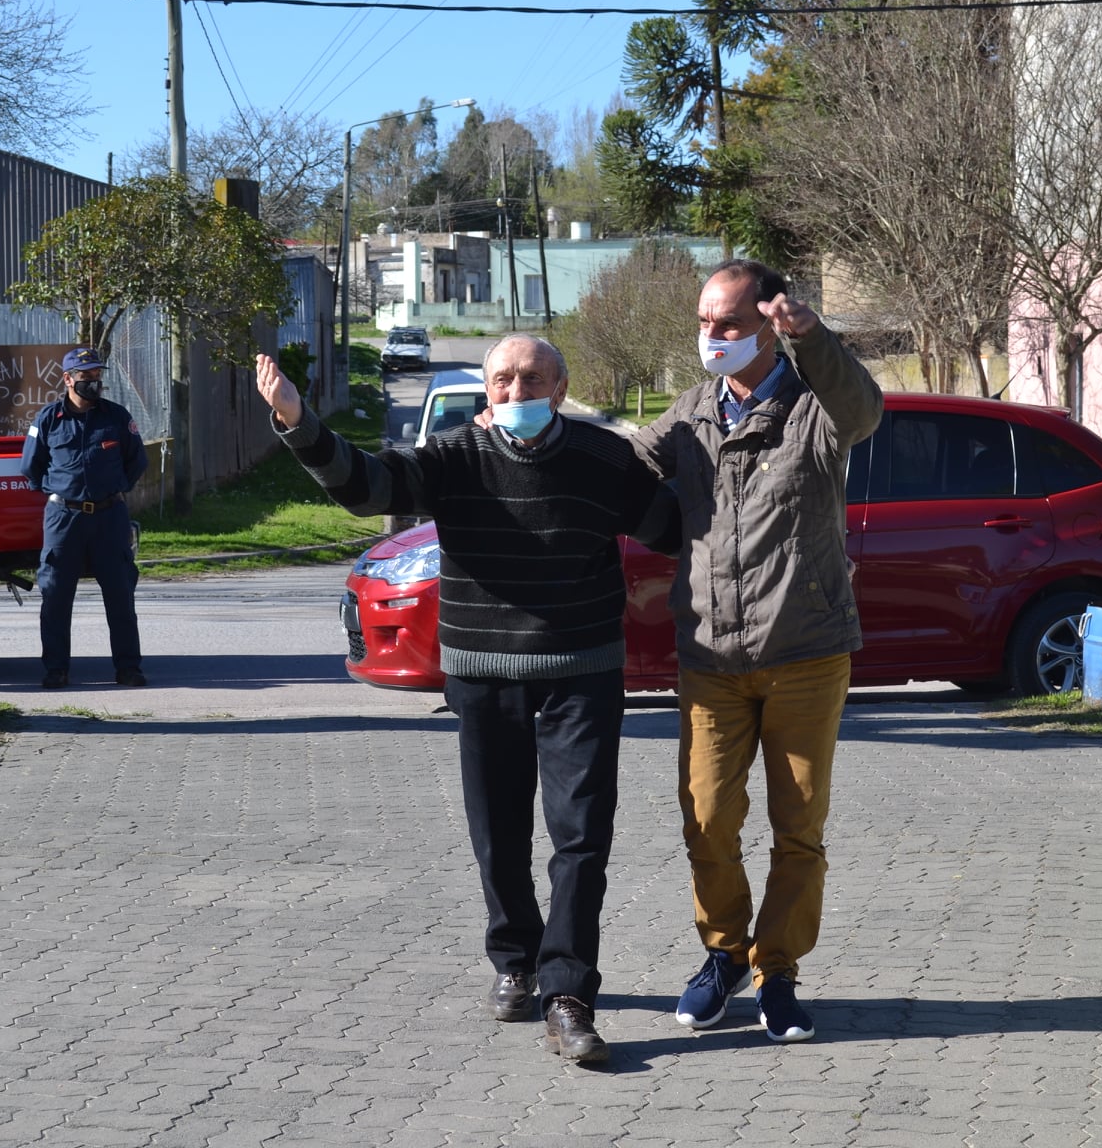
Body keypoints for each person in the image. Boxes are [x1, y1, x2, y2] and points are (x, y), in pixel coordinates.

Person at [254, 335, 678, 1064]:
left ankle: (569, 991)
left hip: (582, 671)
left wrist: (677, 454)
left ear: (560, 383)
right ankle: (515, 960)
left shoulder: (602, 457)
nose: (518, 391)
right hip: (484, 673)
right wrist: (299, 424)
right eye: (505, 380)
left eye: (534, 378)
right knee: (500, 832)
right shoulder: (455, 456)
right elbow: (368, 488)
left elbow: (668, 525)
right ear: (489, 390)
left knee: (581, 837)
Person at [632, 259, 884, 1043]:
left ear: (769, 326)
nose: (712, 336)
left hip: (805, 651)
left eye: (730, 324)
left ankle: (778, 971)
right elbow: (624, 470)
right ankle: (723, 955)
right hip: (711, 659)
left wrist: (818, 340)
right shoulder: (693, 411)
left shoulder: (815, 407)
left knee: (797, 826)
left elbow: (864, 408)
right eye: (705, 323)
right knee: (707, 819)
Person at [19, 346, 148, 689]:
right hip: (64, 518)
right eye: (85, 376)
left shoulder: (117, 417)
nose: (93, 382)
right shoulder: (48, 419)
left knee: (120, 595)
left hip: (109, 517)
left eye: (97, 376)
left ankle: (128, 668)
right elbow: (30, 467)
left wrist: (116, 488)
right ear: (67, 379)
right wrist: (60, 491)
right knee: (56, 596)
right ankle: (56, 670)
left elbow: (137, 461)